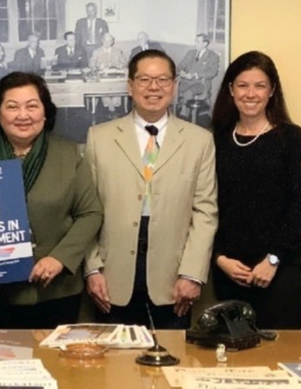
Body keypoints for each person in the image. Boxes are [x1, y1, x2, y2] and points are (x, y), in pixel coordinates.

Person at [84, 50, 218, 329]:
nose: (153, 87)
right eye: (144, 79)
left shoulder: (199, 140)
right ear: (130, 85)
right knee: (112, 368)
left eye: (162, 79)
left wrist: (193, 274)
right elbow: (86, 210)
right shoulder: (100, 137)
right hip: (112, 277)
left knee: (172, 363)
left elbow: (205, 211)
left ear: (175, 85)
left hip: (174, 277)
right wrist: (92, 268)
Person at [0, 72, 102, 329]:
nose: (23, 115)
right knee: (1, 369)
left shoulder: (69, 154)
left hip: (58, 290)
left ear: (45, 113)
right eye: (12, 106)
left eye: (32, 106)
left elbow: (90, 213)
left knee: (59, 367)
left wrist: (59, 258)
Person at [210, 51, 301, 329]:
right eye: (243, 85)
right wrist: (219, 258)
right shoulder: (216, 139)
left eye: (260, 85)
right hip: (229, 270)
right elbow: (207, 204)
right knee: (231, 359)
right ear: (231, 90)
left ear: (272, 91)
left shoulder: (292, 138)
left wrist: (273, 259)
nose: (250, 94)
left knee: (277, 356)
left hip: (281, 270)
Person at [177, 33, 221, 106]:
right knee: (172, 89)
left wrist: (195, 75)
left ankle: (185, 115)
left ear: (205, 43)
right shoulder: (190, 53)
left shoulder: (212, 56)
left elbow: (212, 72)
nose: (195, 44)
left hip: (201, 83)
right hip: (186, 81)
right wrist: (181, 72)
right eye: (195, 41)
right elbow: (180, 65)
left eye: (198, 42)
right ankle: (174, 112)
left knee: (188, 93)